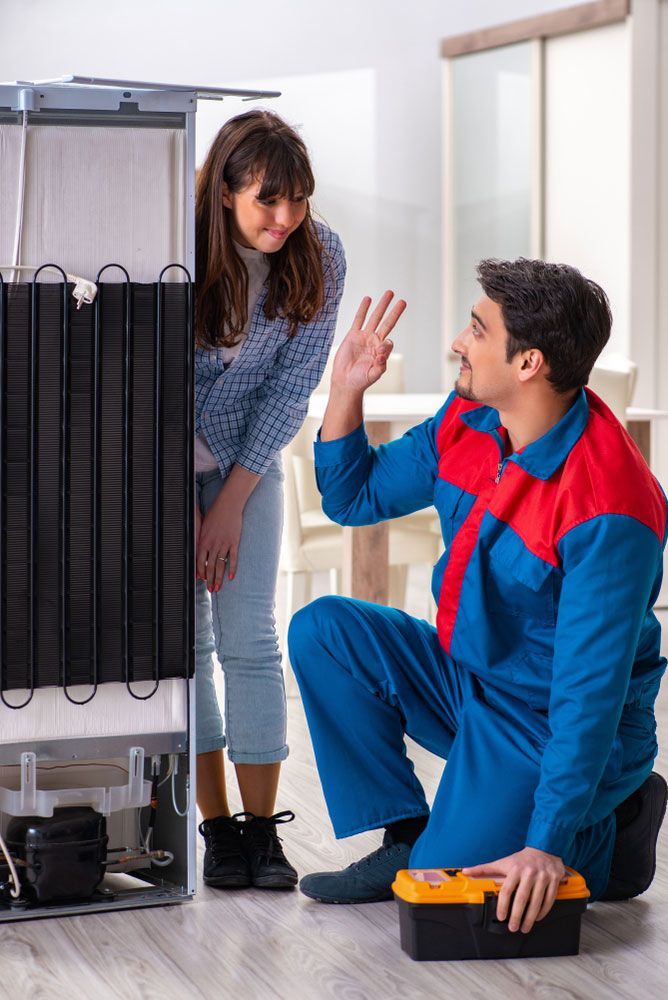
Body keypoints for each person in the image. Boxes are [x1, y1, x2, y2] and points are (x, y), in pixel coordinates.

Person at [288, 259, 667, 932]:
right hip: (466, 673)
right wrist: (346, 388)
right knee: (323, 630)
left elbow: (588, 695)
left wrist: (547, 845)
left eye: (476, 329)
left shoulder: (611, 509)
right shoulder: (468, 417)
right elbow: (353, 496)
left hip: (547, 720)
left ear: (528, 363)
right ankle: (406, 831)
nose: (458, 343)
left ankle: (612, 836)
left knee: (441, 890)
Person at [194, 110, 345, 889]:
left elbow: (293, 387)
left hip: (247, 465)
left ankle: (262, 833)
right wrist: (172, 496)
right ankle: (215, 830)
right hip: (153, 467)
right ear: (225, 193)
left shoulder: (320, 255)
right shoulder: (174, 247)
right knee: (184, 651)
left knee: (250, 639)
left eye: (299, 201)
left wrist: (230, 499)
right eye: (267, 202)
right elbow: (136, 380)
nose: (285, 219)